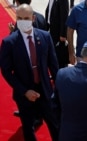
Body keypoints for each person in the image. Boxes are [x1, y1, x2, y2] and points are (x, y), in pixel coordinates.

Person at [0, 4, 59, 141]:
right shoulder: (9, 42)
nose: (22, 21)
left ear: (33, 18)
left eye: (26, 18)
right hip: (24, 94)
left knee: (55, 125)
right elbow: (7, 71)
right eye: (19, 18)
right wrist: (24, 91)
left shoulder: (45, 37)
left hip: (45, 91)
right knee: (28, 129)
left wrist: (57, 88)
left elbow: (53, 64)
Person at [45, 0, 69, 68]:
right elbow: (49, 13)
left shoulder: (63, 1)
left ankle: (60, 72)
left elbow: (64, 16)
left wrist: (63, 34)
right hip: (51, 29)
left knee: (59, 56)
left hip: (58, 32)